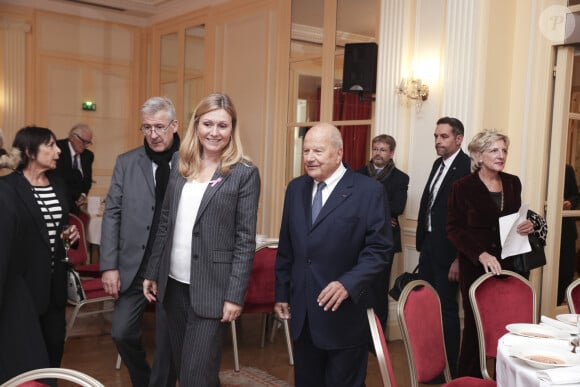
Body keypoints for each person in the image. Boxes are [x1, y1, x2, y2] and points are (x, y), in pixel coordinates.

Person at [142, 93, 261, 386]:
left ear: (232, 129)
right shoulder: (179, 164)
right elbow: (165, 221)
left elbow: (245, 239)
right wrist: (153, 271)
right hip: (174, 285)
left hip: (213, 289)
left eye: (223, 125)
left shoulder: (244, 173)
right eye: (208, 123)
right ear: (196, 125)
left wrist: (235, 294)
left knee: (196, 375)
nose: (214, 132)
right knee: (191, 371)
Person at [274, 123, 392, 387]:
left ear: (339, 153)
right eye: (306, 150)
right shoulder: (296, 189)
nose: (310, 157)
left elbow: (379, 251)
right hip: (303, 315)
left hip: (344, 316)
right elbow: (287, 247)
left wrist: (347, 284)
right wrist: (282, 292)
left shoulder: (368, 192)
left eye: (318, 150)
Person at [100, 97, 179, 387]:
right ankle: (144, 381)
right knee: (121, 332)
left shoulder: (191, 161)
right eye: (147, 127)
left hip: (173, 267)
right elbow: (112, 214)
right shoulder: (127, 162)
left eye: (159, 126)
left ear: (174, 125)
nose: (153, 134)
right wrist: (109, 266)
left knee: (166, 340)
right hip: (134, 265)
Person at [447, 129, 537, 377]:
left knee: (510, 325)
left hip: (511, 266)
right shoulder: (462, 187)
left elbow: (515, 219)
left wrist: (527, 224)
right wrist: (481, 255)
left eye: (504, 150)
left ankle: (507, 379)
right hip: (477, 268)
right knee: (477, 328)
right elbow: (454, 229)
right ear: (477, 155)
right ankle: (469, 379)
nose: (501, 155)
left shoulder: (512, 182)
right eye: (494, 150)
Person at [0, 126, 80, 383]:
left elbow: (59, 226)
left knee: (54, 349)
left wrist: (70, 234)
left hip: (55, 285)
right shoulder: (8, 188)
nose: (58, 151)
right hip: (22, 290)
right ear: (29, 151)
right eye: (51, 145)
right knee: (25, 358)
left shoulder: (58, 184)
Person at [416, 116, 471, 376]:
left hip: (450, 255)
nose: (438, 141)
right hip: (429, 249)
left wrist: (460, 258)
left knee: (447, 311)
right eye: (436, 136)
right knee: (427, 308)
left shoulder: (467, 167)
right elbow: (431, 205)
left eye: (444, 137)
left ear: (458, 139)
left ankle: (451, 370)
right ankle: (432, 366)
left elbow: (469, 220)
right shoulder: (438, 164)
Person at [357, 134, 408, 329]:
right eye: (375, 149)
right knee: (360, 286)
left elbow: (398, 207)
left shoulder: (401, 178)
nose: (378, 153)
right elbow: (353, 206)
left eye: (383, 150)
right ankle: (359, 330)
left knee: (379, 287)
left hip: (386, 240)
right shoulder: (358, 174)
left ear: (392, 153)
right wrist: (382, 218)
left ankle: (378, 334)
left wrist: (370, 214)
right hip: (359, 239)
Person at [54, 123, 94, 214]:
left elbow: (87, 179)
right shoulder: (58, 149)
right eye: (84, 141)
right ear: (72, 137)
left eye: (89, 142)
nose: (86, 145)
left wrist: (83, 195)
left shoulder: (88, 155)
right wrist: (74, 197)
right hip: (60, 202)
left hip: (77, 206)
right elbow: (58, 179)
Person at [558, 164, 580, 304]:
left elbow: (576, 195)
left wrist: (570, 203)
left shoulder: (566, 168)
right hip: (543, 230)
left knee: (566, 272)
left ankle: (559, 303)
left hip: (566, 229)